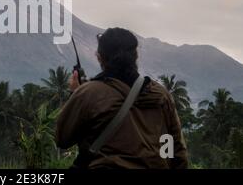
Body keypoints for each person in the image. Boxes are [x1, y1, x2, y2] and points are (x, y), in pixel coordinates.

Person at [56, 27, 188, 169]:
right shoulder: (161, 94)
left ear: (100, 57)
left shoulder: (88, 93)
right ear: (136, 56)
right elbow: (177, 149)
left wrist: (75, 94)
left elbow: (63, 139)